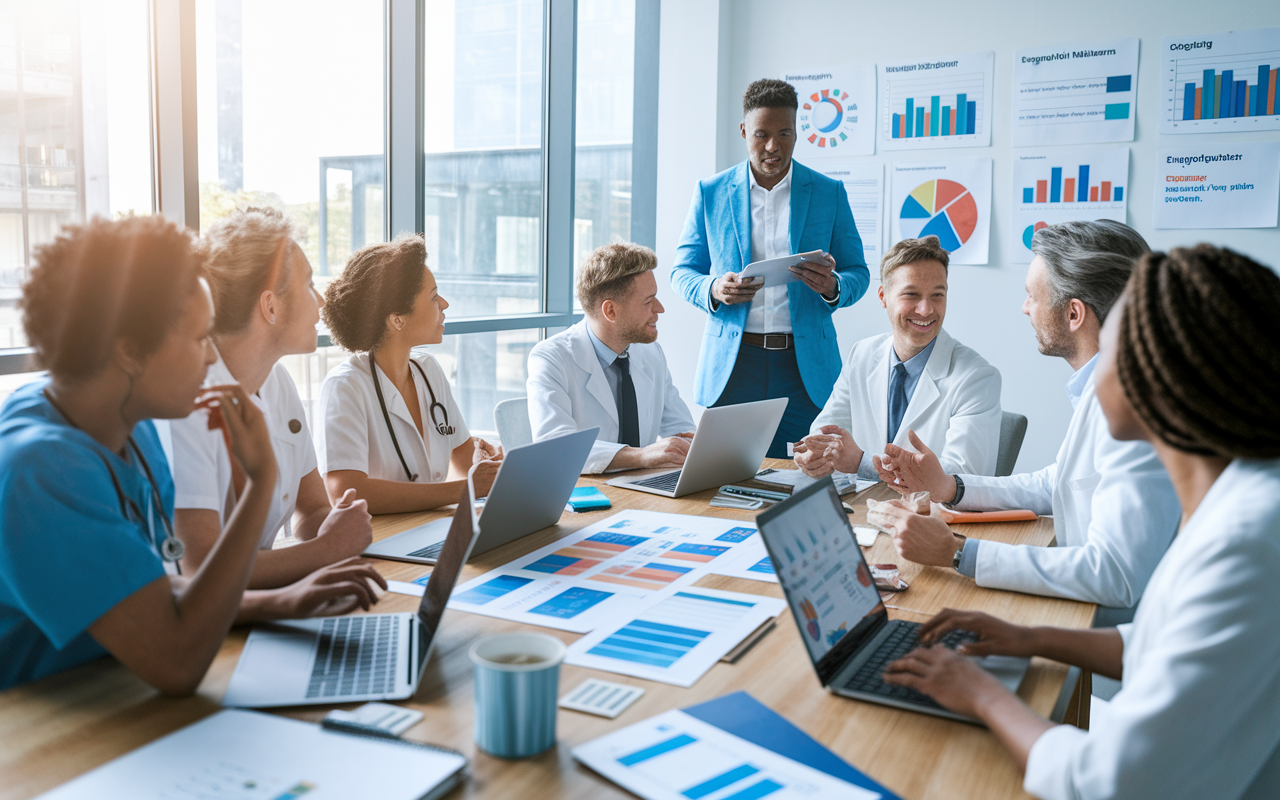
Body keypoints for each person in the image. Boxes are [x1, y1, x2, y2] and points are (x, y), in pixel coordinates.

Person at [883, 244, 1280, 799]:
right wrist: (1029, 637)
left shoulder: (1242, 545)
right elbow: (1163, 640)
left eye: (1115, 349)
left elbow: (1106, 782)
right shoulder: (1241, 501)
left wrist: (982, 694)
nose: (1097, 372)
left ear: (1161, 376)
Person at [0, 216, 382, 693]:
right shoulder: (42, 471)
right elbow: (178, 664)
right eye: (200, 337)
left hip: (114, 685)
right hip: (39, 723)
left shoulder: (127, 427)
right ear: (130, 352)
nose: (209, 358)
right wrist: (262, 480)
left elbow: (151, 590)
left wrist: (283, 602)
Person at [873, 221, 1179, 622]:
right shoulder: (1105, 385)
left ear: (1073, 313)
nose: (1025, 308)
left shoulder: (1134, 408)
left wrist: (957, 551)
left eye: (1032, 296)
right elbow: (1058, 483)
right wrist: (951, 486)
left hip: (1115, 644)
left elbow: (1115, 575)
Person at [171, 208, 376, 606]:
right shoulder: (184, 400)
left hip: (252, 605)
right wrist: (327, 550)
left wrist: (335, 525)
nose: (320, 301)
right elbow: (201, 570)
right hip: (197, 622)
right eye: (309, 284)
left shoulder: (277, 382)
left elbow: (312, 507)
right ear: (271, 306)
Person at [671, 78, 869, 458]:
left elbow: (858, 272)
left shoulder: (829, 193)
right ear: (745, 131)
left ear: (797, 133)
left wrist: (833, 287)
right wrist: (713, 289)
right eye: (761, 134)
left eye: (784, 134)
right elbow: (682, 271)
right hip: (734, 366)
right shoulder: (710, 193)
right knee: (724, 477)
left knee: (807, 476)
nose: (773, 146)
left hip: (804, 368)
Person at [317, 234, 502, 514]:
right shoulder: (345, 387)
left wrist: (488, 467)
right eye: (433, 297)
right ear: (397, 320)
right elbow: (347, 492)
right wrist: (464, 489)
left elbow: (466, 462)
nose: (444, 304)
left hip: (431, 527)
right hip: (381, 539)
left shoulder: (428, 370)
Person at [793, 236, 1001, 481]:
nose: (926, 310)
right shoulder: (862, 354)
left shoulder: (977, 378)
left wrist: (861, 463)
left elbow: (961, 478)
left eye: (937, 295)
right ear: (882, 297)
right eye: (911, 295)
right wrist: (816, 453)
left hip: (930, 517)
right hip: (863, 509)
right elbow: (828, 427)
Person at [527, 241, 695, 474]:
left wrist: (693, 444)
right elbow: (556, 448)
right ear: (610, 311)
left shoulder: (651, 353)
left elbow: (680, 427)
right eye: (648, 301)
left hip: (643, 488)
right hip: (585, 495)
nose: (660, 308)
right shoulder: (551, 358)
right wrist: (642, 455)